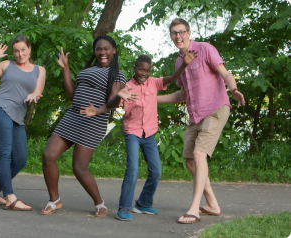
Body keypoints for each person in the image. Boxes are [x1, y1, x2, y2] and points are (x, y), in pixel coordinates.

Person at [81, 52, 197, 221]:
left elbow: (172, 78)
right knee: (133, 169)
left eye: (147, 70)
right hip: (133, 133)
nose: (144, 73)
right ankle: (124, 207)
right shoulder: (126, 86)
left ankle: (143, 203)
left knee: (156, 171)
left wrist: (184, 65)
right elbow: (112, 103)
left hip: (149, 133)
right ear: (135, 69)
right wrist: (97, 110)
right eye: (141, 70)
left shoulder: (154, 83)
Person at [157, 18, 246, 224]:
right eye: (174, 33)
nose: (178, 36)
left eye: (181, 32)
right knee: (190, 161)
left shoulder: (205, 49)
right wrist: (149, 99)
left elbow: (225, 73)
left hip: (216, 109)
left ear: (189, 32)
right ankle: (212, 204)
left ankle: (194, 209)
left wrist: (233, 90)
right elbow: (181, 95)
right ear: (171, 36)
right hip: (196, 115)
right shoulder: (179, 61)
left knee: (199, 154)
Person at [40, 35, 133, 217]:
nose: (102, 52)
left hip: (93, 121)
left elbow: (112, 103)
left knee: (79, 168)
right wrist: (66, 69)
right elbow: (72, 96)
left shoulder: (117, 74)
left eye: (106, 48)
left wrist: (98, 110)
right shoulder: (87, 70)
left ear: (113, 51)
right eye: (98, 49)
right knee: (48, 155)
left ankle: (99, 202)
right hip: (73, 117)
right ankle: (55, 200)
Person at [0, 36, 46, 210]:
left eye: (23, 49)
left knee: (20, 160)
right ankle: (10, 198)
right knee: (4, 154)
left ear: (29, 49)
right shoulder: (6, 65)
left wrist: (34, 95)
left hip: (17, 116)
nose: (20, 54)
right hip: (0, 110)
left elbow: (38, 90)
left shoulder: (40, 70)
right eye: (16, 51)